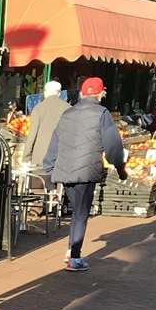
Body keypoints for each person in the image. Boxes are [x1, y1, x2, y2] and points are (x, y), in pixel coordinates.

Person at [42, 76, 126, 272]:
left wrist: (48, 169)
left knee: (76, 211)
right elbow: (113, 145)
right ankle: (74, 256)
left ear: (81, 93)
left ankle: (71, 249)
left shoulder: (67, 113)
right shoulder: (102, 113)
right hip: (86, 170)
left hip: (64, 170)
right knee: (80, 214)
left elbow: (54, 142)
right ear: (100, 94)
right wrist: (120, 167)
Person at [22, 81, 68, 169]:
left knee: (41, 182)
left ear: (45, 93)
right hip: (61, 158)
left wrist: (26, 158)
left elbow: (32, 136)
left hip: (40, 158)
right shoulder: (68, 108)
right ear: (59, 93)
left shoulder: (38, 108)